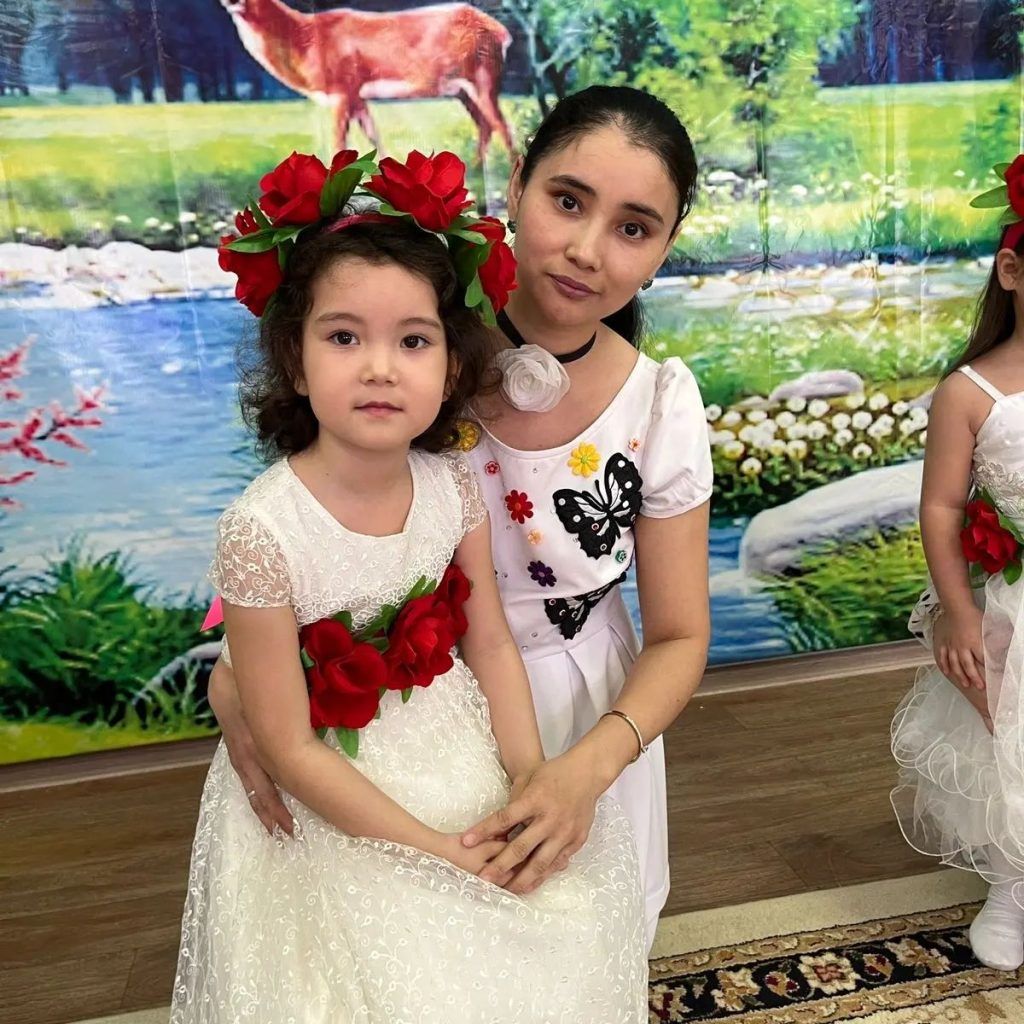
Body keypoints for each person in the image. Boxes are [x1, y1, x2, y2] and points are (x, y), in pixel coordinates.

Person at [209, 85, 713, 951]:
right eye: (567, 201)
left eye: (633, 228)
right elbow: (308, 519)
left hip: (585, 709)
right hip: (408, 717)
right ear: (515, 184)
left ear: (664, 248)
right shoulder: (405, 346)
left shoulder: (660, 402)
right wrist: (235, 669)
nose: (586, 249)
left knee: (585, 944)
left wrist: (586, 769)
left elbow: (681, 634)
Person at [891, 156, 1024, 972]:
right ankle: (1014, 881)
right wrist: (959, 607)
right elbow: (941, 508)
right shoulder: (970, 392)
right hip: (1015, 605)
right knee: (1008, 743)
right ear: (1012, 269)